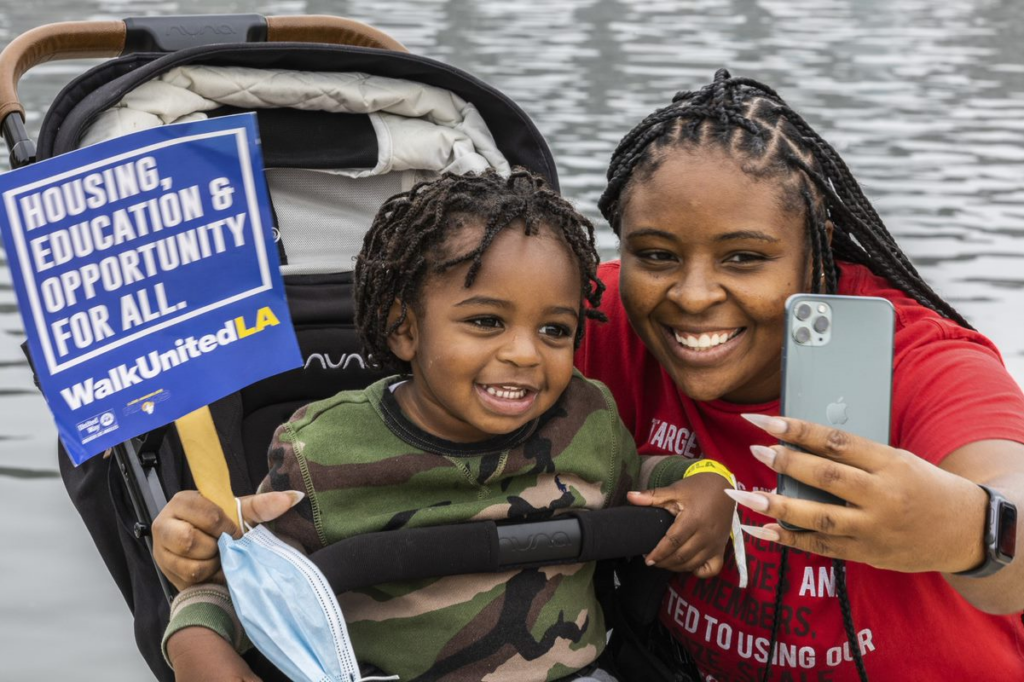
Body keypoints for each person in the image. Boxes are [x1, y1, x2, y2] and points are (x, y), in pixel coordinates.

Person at [157, 169, 737, 681]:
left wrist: (709, 481)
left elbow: (641, 477)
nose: (525, 354)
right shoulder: (322, 452)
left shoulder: (585, 416)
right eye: (486, 321)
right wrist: (195, 638)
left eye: (554, 331)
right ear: (404, 330)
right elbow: (249, 577)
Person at [575, 69, 1024, 680]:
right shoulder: (589, 321)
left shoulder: (920, 361)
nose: (694, 294)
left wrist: (962, 529)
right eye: (656, 255)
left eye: (744, 258)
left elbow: (1011, 491)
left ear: (818, 251)